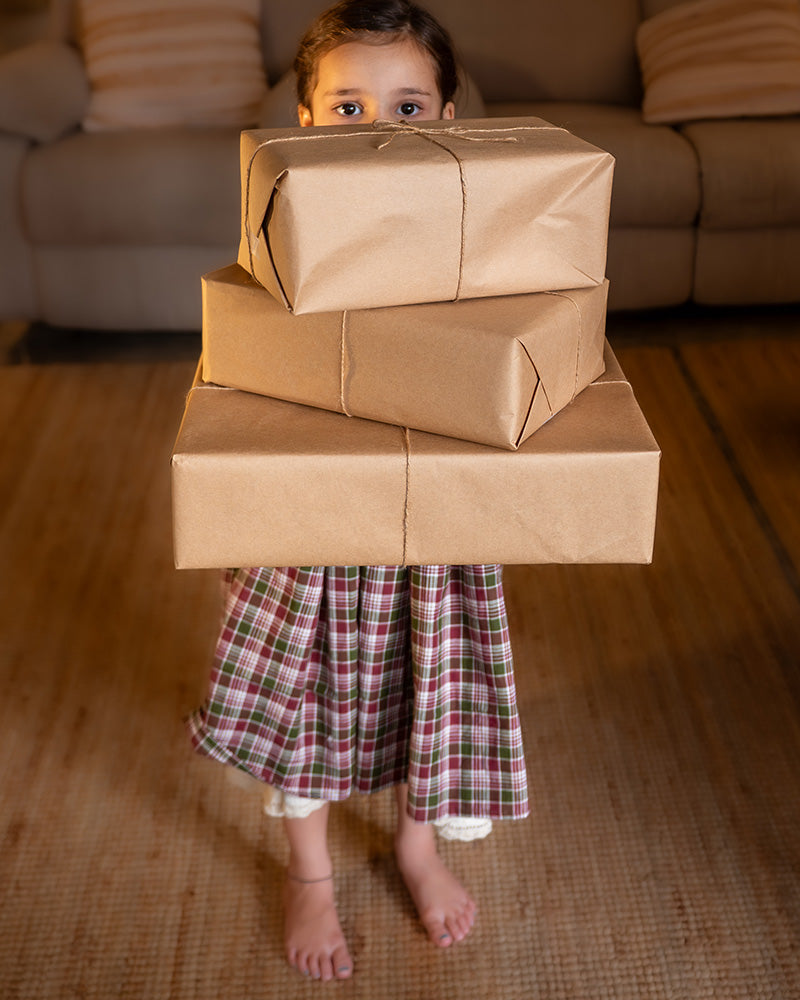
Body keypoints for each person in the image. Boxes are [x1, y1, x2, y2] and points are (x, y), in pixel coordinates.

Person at [187, 0, 529, 982]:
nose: (378, 126)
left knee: (433, 682)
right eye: (347, 105)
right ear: (302, 119)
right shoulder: (278, 229)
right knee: (307, 694)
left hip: (433, 526)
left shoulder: (480, 238)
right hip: (306, 530)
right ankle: (310, 871)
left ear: (450, 117)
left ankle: (416, 844)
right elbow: (233, 379)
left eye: (408, 104)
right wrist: (227, 514)